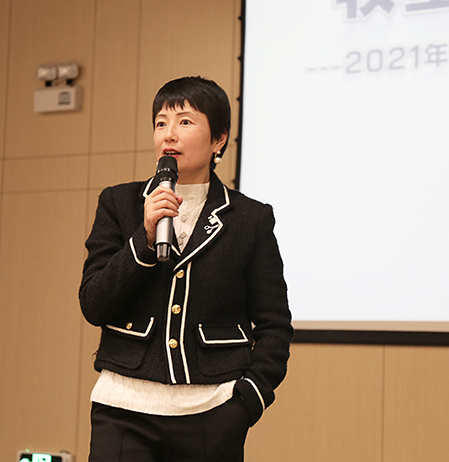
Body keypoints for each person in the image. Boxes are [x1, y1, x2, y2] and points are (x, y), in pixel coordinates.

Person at [79, 76, 294, 461]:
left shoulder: (250, 219)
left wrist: (247, 401)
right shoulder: (120, 203)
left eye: (185, 122)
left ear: (219, 139)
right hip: (122, 408)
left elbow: (274, 324)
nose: (169, 134)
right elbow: (94, 304)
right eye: (160, 123)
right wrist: (143, 239)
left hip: (213, 411)